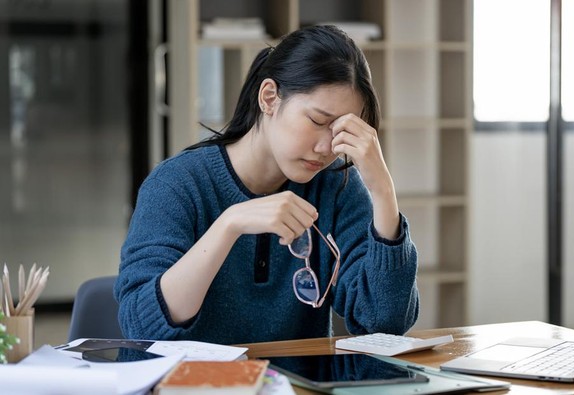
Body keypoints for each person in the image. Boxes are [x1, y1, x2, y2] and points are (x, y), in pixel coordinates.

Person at [114, 25, 419, 345]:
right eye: (317, 122)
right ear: (269, 97)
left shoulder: (336, 186)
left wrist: (383, 192)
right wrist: (229, 225)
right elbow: (141, 327)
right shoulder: (177, 185)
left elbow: (384, 322)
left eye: (341, 131)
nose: (327, 148)